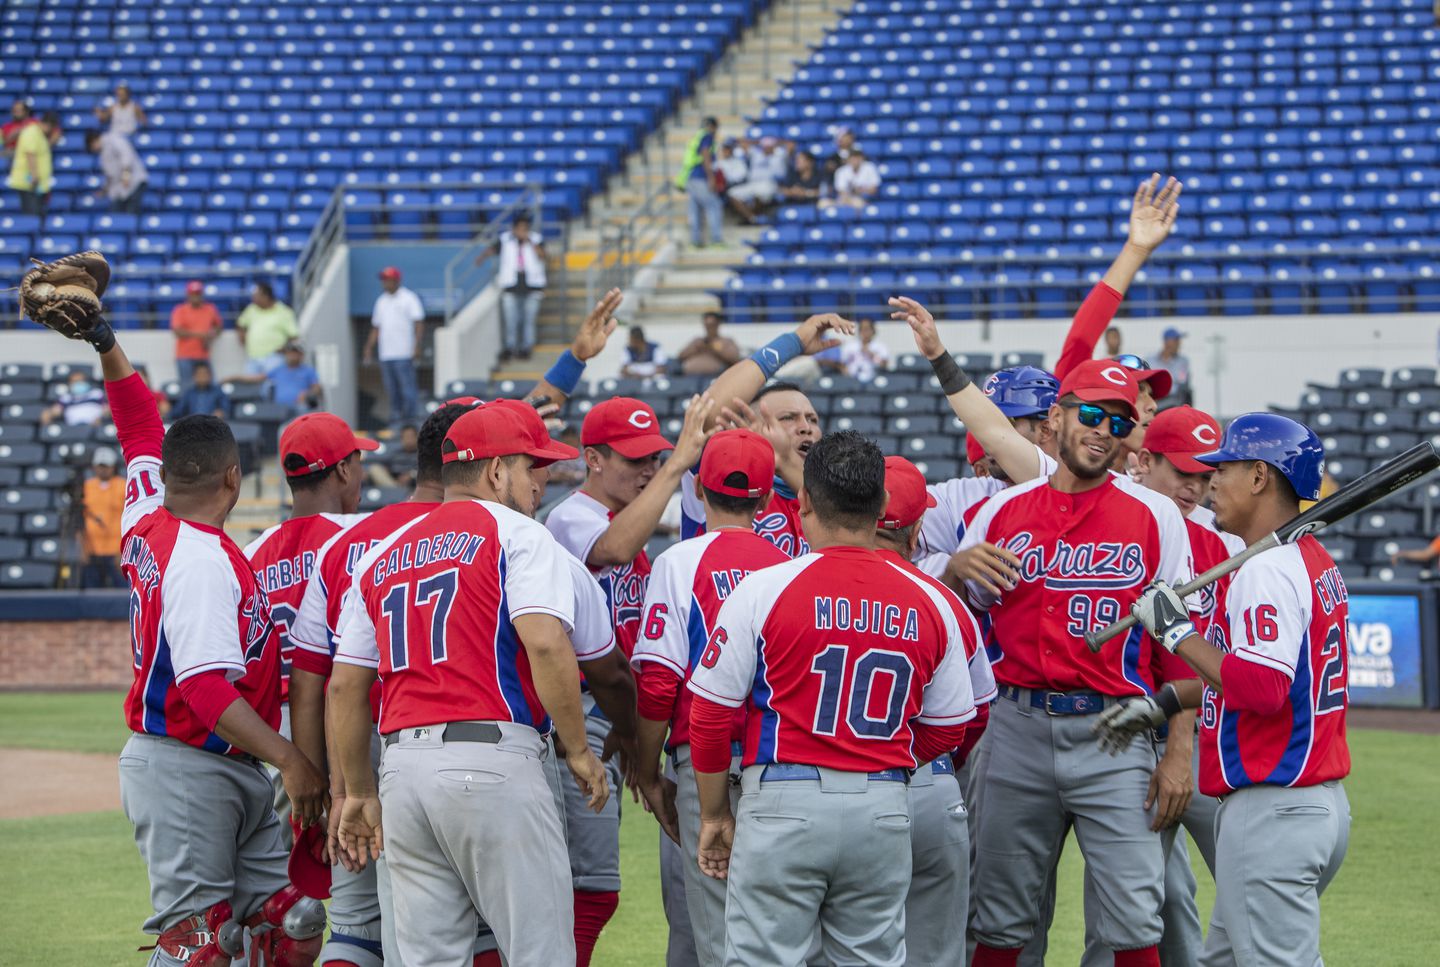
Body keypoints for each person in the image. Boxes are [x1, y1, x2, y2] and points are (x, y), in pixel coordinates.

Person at [74, 311, 328, 965]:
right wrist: (294, 761)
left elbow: (137, 428)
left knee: (292, 919)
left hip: (224, 762)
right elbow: (207, 689)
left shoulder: (146, 514)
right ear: (233, 478)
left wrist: (107, 341)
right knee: (200, 948)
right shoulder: (201, 558)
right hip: (186, 760)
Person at [329, 402, 610, 967]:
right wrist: (579, 750)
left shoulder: (383, 553)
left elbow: (343, 687)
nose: (543, 479)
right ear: (495, 470)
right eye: (533, 465)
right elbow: (547, 642)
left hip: (402, 771)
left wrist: (358, 791)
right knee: (539, 952)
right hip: (491, 758)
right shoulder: (519, 534)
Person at [684, 430, 978, 966]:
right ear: (883, 504)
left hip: (783, 799)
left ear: (804, 504)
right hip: (883, 805)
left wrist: (713, 813)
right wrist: (890, 765)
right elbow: (951, 727)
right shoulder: (931, 598)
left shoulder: (767, 586)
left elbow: (707, 715)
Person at [953, 359, 1197, 967]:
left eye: (1118, 420)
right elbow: (958, 623)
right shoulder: (1001, 513)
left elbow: (1179, 645)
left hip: (1117, 730)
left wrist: (1178, 750)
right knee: (997, 917)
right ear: (1054, 420)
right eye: (1091, 414)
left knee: (1136, 917)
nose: (1103, 429)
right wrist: (954, 574)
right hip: (1016, 728)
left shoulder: (1155, 516)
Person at [1104, 413, 1350, 967]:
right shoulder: (1310, 561)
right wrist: (1166, 701)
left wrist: (1176, 634)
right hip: (1311, 803)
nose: (1212, 482)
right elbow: (1256, 679)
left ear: (1260, 476)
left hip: (1274, 807)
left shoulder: (1269, 569)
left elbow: (1262, 688)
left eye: (1225, 469)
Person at [544, 394, 713, 962]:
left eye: (654, 456)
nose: (647, 467)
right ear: (592, 458)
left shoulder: (626, 521)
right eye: (633, 457)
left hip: (613, 714)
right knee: (587, 886)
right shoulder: (572, 516)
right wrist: (674, 468)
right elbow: (614, 549)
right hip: (581, 713)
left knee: (589, 885)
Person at [630, 429, 790, 967]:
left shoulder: (679, 562)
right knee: (782, 932)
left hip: (705, 763)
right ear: (767, 499)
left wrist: (647, 770)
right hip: (782, 763)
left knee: (720, 939)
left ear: (698, 490)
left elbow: (657, 683)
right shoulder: (794, 567)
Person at [872, 455, 997, 967]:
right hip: (929, 780)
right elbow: (975, 715)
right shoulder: (944, 599)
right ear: (920, 526)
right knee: (937, 952)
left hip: (834, 781)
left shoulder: (799, 583)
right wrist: (931, 764)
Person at [362, 266, 425, 433]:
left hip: (404, 352)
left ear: (397, 280)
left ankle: (411, 423)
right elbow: (376, 327)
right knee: (392, 390)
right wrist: (369, 347)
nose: (385, 283)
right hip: (386, 354)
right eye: (383, 279)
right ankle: (396, 423)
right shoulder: (381, 301)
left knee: (408, 389)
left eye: (388, 279)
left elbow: (418, 323)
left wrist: (416, 346)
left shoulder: (408, 298)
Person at [490, 215, 547, 361]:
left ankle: (526, 347)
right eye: (520, 228)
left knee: (528, 320)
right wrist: (479, 259)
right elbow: (490, 251)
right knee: (511, 320)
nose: (522, 231)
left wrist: (530, 242)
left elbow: (543, 256)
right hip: (510, 286)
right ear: (514, 229)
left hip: (532, 286)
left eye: (525, 228)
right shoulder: (505, 240)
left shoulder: (536, 239)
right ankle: (510, 347)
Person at [80, 446, 126, 589]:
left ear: (113, 467)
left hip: (116, 550)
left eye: (106, 466)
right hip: (92, 550)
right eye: (100, 466)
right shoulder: (86, 486)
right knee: (92, 591)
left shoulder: (123, 485)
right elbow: (79, 520)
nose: (103, 469)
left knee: (123, 592)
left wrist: (124, 552)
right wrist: (82, 549)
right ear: (94, 467)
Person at [676, 117, 723, 248]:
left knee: (695, 210)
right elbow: (705, 155)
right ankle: (716, 240)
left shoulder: (696, 137)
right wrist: (711, 178)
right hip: (700, 177)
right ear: (713, 127)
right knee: (714, 205)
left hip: (690, 178)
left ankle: (695, 241)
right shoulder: (707, 136)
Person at [237, 282, 300, 376]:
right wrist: (242, 337)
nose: (253, 299)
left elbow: (293, 336)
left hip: (274, 357)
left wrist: (284, 348)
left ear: (266, 296)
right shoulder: (252, 309)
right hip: (253, 356)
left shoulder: (284, 312)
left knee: (272, 386)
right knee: (250, 388)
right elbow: (241, 324)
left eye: (256, 296)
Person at [170, 280, 223, 388]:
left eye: (198, 294)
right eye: (193, 294)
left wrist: (211, 335)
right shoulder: (180, 310)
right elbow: (178, 332)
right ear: (188, 295)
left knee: (210, 387)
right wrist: (203, 335)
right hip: (185, 356)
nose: (196, 297)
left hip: (203, 355)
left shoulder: (210, 309)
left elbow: (218, 326)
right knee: (187, 388)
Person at [85, 128, 147, 214]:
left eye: (92, 146)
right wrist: (104, 190)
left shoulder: (113, 139)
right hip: (119, 188)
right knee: (115, 216)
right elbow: (110, 175)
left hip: (134, 181)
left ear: (94, 141)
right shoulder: (102, 154)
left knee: (131, 214)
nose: (94, 150)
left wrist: (126, 176)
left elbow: (126, 155)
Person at [7, 110, 55, 215]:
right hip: (29, 183)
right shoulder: (32, 132)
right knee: (32, 215)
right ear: (48, 125)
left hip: (35, 185)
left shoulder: (39, 134)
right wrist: (34, 175)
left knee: (36, 213)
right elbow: (30, 154)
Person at [677, 312, 741, 377]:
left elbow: (735, 359)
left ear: (718, 324)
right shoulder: (697, 341)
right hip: (690, 377)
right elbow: (681, 356)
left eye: (712, 325)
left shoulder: (726, 341)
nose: (709, 328)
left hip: (716, 377)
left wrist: (715, 349)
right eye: (707, 325)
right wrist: (696, 348)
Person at [268, 340, 323, 414]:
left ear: (301, 355)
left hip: (298, 407)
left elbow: (317, 388)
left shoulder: (308, 370)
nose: (292, 356)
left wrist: (306, 394)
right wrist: (246, 378)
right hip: (279, 408)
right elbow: (260, 377)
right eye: (290, 353)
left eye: (295, 353)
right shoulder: (279, 369)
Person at [42, 369, 108, 428]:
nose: (78, 383)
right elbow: (55, 411)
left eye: (80, 381)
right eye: (75, 381)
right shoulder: (66, 398)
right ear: (70, 384)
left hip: (94, 427)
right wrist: (48, 415)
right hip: (73, 430)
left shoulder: (97, 393)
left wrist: (102, 418)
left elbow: (108, 410)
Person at [838, 317, 892, 382]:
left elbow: (884, 364)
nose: (865, 332)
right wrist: (845, 371)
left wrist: (871, 355)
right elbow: (842, 364)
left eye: (867, 329)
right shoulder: (850, 346)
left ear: (873, 331)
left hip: (873, 379)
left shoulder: (880, 346)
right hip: (852, 380)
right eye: (862, 329)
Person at [1156, 327, 1193, 405]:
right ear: (1167, 342)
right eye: (1176, 340)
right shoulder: (1151, 360)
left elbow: (1182, 381)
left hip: (1174, 401)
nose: (1179, 343)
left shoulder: (1183, 361)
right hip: (1155, 400)